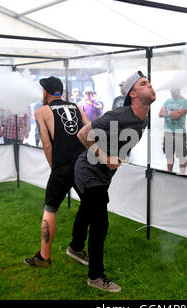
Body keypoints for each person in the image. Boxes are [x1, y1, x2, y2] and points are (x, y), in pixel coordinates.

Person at [68, 71, 156, 292]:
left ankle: (75, 248)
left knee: (87, 211)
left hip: (102, 175)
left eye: (150, 82)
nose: (151, 86)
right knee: (100, 223)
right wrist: (106, 158)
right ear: (133, 94)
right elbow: (82, 134)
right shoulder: (118, 114)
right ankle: (95, 277)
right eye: (144, 83)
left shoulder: (143, 118)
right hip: (87, 170)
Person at [24, 76, 89, 268]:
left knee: (50, 209)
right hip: (81, 163)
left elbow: (46, 144)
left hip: (62, 166)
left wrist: (56, 169)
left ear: (45, 93)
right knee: (88, 204)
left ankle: (44, 258)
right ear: (60, 92)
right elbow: (89, 130)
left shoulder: (42, 111)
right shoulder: (76, 107)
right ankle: (77, 247)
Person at [158, 88, 187, 174]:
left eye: (173, 90)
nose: (171, 92)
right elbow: (160, 113)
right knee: (169, 155)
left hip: (180, 132)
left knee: (181, 155)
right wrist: (173, 112)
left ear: (178, 90)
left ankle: (182, 174)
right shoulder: (167, 101)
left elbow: (178, 116)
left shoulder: (184, 102)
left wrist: (167, 113)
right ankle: (169, 173)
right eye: (171, 90)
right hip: (168, 132)